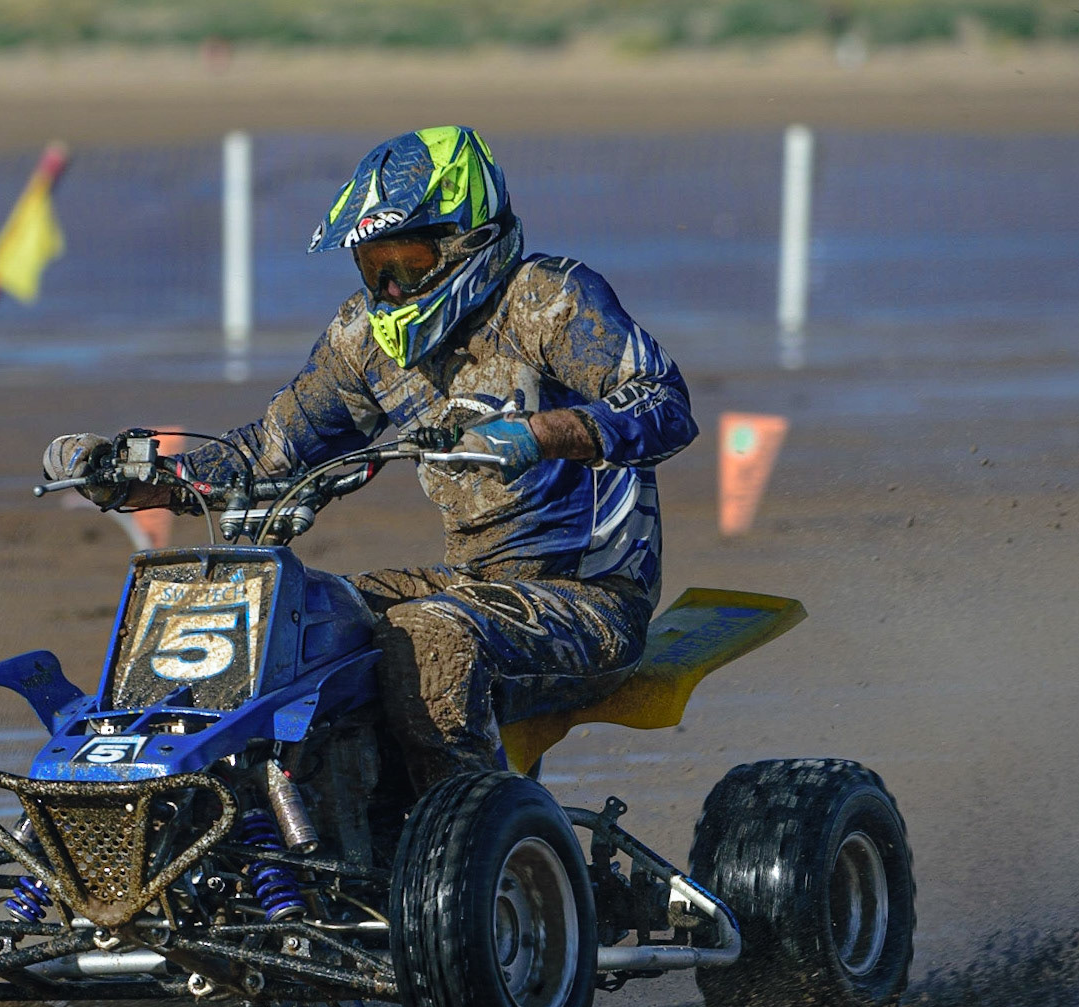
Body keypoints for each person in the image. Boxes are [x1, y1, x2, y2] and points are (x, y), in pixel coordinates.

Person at [44, 127, 696, 794]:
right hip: (472, 583)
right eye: (372, 267)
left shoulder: (547, 301)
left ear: (468, 240)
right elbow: (270, 452)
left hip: (589, 599)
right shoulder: (364, 340)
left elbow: (664, 403)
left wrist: (542, 433)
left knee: (429, 637)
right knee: (294, 617)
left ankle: (472, 826)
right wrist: (140, 480)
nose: (389, 288)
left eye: (407, 262)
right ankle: (275, 819)